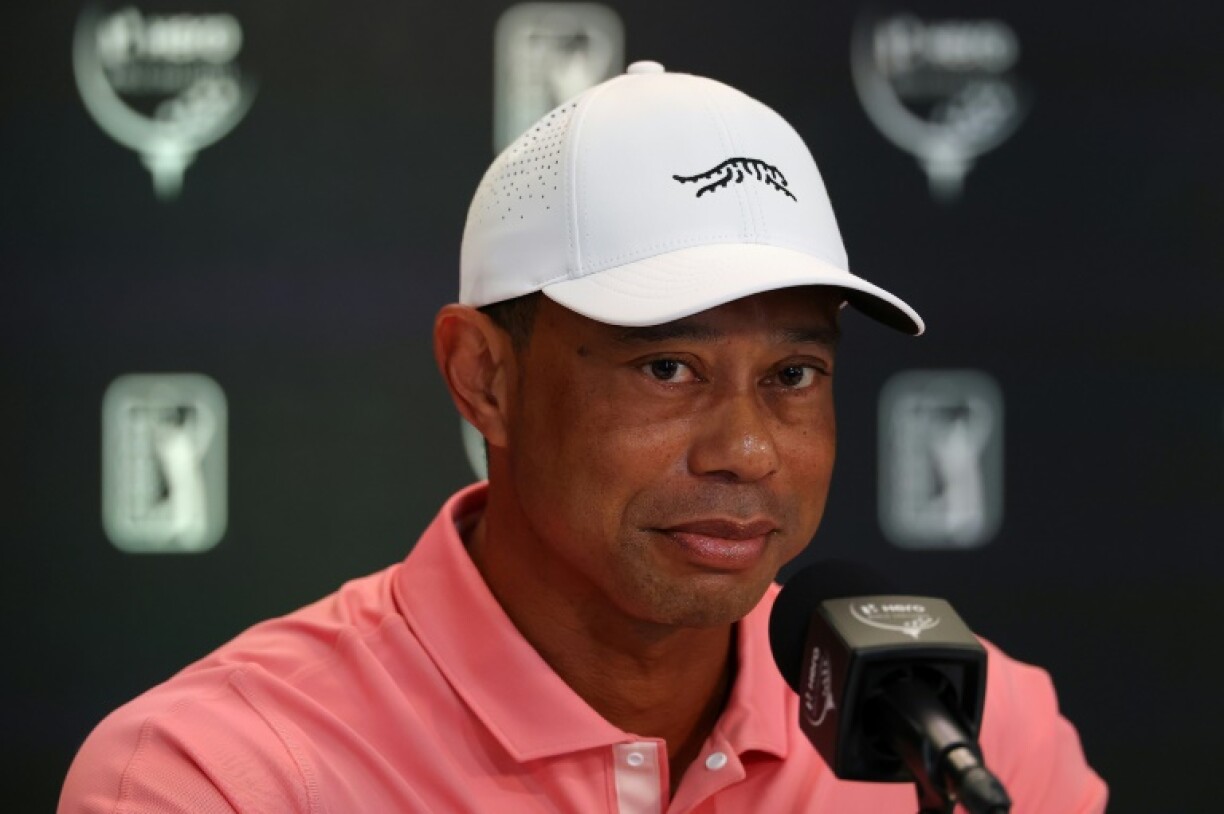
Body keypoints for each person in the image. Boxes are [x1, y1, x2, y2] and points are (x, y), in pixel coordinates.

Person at [60, 62, 1107, 813]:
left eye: (794, 375)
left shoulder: (969, 734)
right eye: (667, 368)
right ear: (486, 378)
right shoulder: (216, 777)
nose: (747, 450)